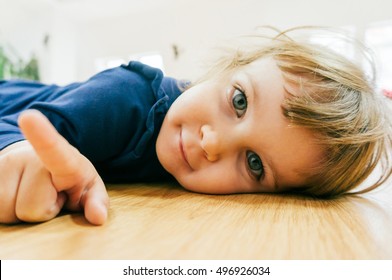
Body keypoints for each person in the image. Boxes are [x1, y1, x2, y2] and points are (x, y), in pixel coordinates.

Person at [1, 27, 391, 225]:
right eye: (239, 101)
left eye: (254, 163)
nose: (212, 143)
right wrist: (18, 154)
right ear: (229, 65)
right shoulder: (126, 97)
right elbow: (22, 132)